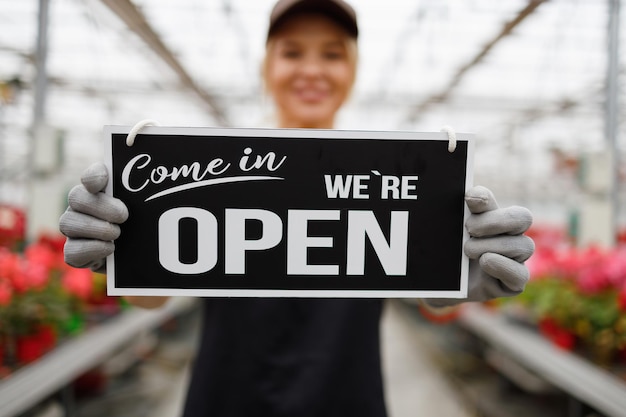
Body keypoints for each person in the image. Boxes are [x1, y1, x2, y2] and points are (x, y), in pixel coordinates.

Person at [59, 0, 535, 416]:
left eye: (332, 54)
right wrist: (123, 251)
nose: (312, 70)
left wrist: (457, 279)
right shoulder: (210, 169)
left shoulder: (395, 174)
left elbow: (429, 303)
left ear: (351, 71)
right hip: (227, 399)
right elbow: (153, 296)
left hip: (348, 398)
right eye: (292, 52)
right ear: (267, 67)